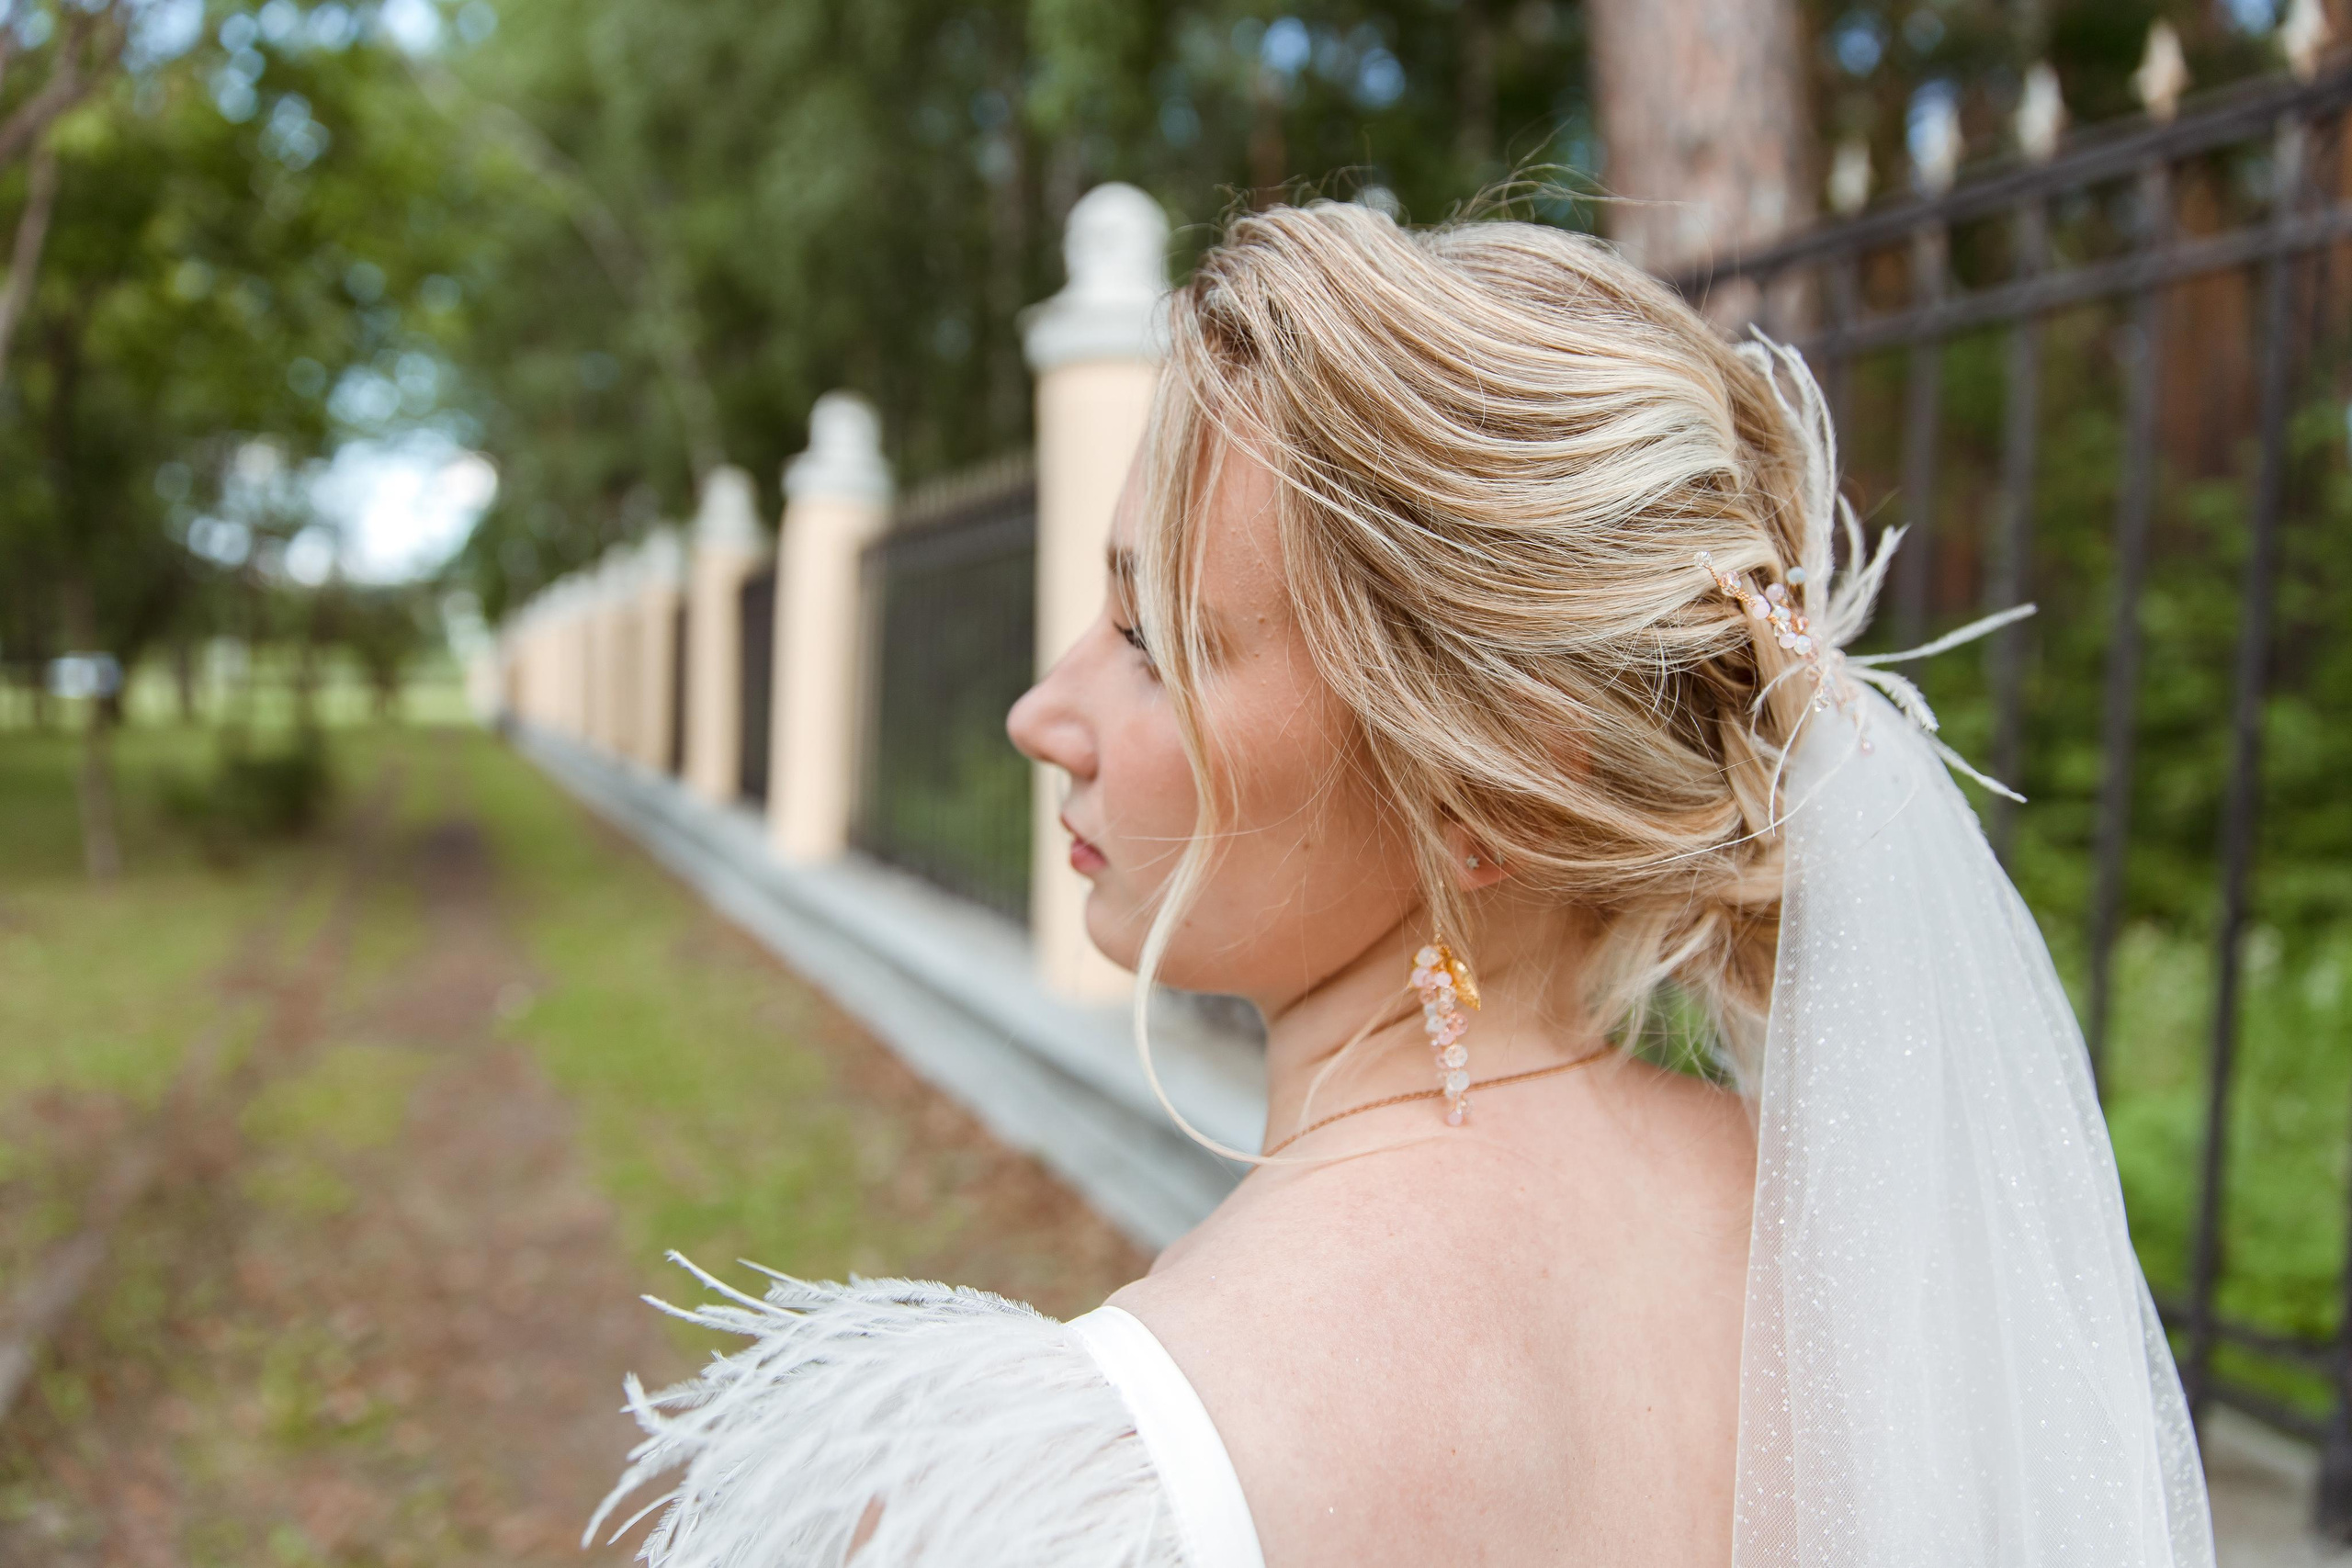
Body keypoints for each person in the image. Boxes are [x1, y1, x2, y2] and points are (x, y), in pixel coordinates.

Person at [590, 203, 2214, 1567]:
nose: (1041, 713)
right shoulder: (1871, 1257)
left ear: (1482, 787)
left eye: (1151, 640)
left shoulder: (1077, 1488)